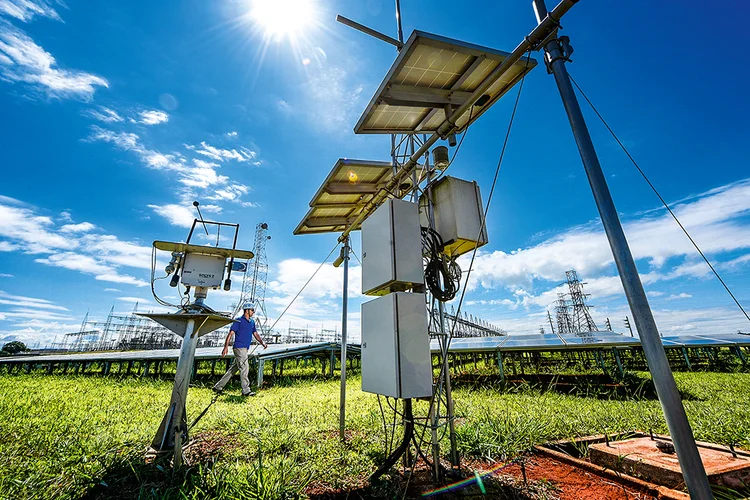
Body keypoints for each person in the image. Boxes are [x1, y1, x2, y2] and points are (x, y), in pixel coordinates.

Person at [213, 304, 267, 396]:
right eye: (252, 310)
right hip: (239, 347)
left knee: (233, 369)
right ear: (247, 311)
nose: (253, 312)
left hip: (245, 349)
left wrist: (262, 343)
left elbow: (255, 334)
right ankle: (246, 390)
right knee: (245, 368)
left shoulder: (252, 322)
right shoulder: (238, 321)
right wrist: (225, 347)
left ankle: (218, 387)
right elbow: (230, 334)